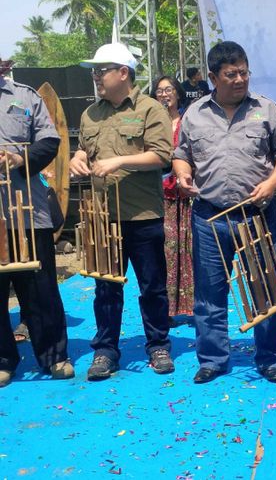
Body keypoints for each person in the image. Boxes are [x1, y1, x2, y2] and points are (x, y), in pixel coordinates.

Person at [173, 41, 276, 385]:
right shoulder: (194, 113)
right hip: (209, 218)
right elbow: (181, 153)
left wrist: (273, 182)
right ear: (213, 77)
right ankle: (213, 358)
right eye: (231, 74)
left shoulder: (267, 110)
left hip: (257, 216)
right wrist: (183, 173)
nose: (240, 79)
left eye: (244, 72)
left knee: (266, 289)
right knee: (210, 292)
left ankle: (271, 356)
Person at [72, 43, 174, 381]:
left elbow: (162, 157)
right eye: (95, 71)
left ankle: (158, 343)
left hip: (143, 215)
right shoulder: (91, 114)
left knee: (152, 286)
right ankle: (105, 350)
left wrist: (119, 160)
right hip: (103, 217)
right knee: (106, 287)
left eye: (101, 70)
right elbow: (85, 150)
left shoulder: (150, 109)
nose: (96, 76)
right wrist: (78, 158)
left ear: (123, 73)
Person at [0, 58, 73, 387]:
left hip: (28, 211)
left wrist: (18, 159)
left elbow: (50, 140)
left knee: (41, 288)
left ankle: (54, 356)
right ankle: (3, 359)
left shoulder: (26, 97)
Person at [150, 76, 193, 322]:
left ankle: (189, 305)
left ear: (178, 93)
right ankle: (164, 308)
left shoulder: (188, 120)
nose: (164, 94)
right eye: (159, 91)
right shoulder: (150, 121)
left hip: (184, 196)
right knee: (163, 252)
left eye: (169, 90)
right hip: (158, 196)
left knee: (187, 250)